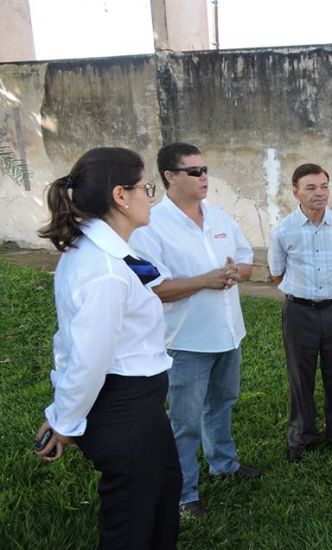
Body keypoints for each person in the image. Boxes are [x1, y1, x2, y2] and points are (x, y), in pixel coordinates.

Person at [35, 147, 181, 548]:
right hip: (123, 407)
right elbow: (87, 358)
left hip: (140, 404)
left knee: (162, 498)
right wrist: (64, 421)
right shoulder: (103, 271)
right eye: (146, 187)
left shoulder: (115, 253)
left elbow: (152, 284)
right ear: (121, 196)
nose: (151, 197)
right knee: (132, 522)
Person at [130, 142, 260, 520]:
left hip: (228, 333)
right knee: (184, 422)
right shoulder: (150, 227)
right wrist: (205, 280)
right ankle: (183, 492)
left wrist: (238, 272)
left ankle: (224, 464)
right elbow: (154, 287)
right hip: (185, 341)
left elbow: (248, 263)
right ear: (170, 176)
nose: (205, 177)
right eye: (195, 172)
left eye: (205, 169)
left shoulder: (219, 217)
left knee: (222, 404)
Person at [268, 163, 332, 463]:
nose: (319, 193)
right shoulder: (284, 230)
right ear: (295, 191)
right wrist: (301, 292)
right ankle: (301, 437)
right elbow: (276, 273)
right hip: (299, 313)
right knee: (301, 375)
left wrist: (331, 291)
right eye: (311, 187)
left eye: (324, 186)